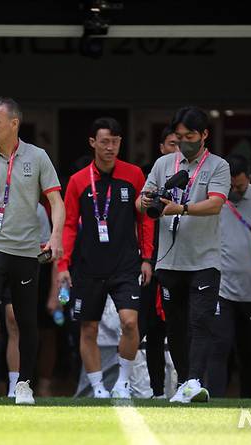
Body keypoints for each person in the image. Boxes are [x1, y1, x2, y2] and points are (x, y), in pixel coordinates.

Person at [0, 97, 65, 405]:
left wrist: (55, 237)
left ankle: (25, 384)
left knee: (25, 321)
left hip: (25, 253)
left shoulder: (38, 156)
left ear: (14, 124)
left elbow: (56, 203)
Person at [137, 106, 230, 404]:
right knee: (174, 325)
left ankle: (194, 381)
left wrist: (181, 208)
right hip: (169, 260)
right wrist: (147, 200)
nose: (184, 141)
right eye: (178, 136)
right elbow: (141, 203)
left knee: (200, 322)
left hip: (205, 260)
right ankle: (185, 381)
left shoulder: (218, 166)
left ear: (204, 135)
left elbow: (216, 204)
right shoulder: (164, 164)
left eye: (190, 136)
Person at [58, 117, 154, 399]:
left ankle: (123, 382)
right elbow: (69, 225)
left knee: (130, 323)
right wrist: (62, 265)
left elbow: (145, 220)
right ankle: (98, 386)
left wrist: (147, 257)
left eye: (115, 142)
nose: (110, 148)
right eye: (104, 142)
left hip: (126, 264)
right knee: (88, 328)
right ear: (93, 143)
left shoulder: (135, 174)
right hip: (88, 266)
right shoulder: (77, 181)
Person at [206, 154, 251, 398]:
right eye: (230, 185)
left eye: (240, 186)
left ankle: (248, 401)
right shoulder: (215, 198)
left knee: (250, 354)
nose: (234, 190)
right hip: (222, 288)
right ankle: (215, 401)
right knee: (219, 348)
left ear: (250, 179)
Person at [139, 125, 179, 398]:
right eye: (172, 144)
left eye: (181, 143)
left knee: (178, 327)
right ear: (162, 149)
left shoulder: (192, 184)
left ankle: (183, 385)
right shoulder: (151, 182)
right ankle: (155, 390)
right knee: (151, 330)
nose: (177, 149)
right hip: (150, 264)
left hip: (180, 263)